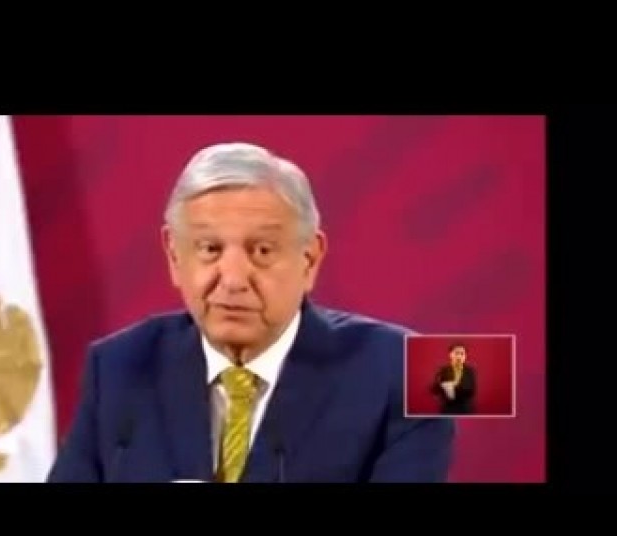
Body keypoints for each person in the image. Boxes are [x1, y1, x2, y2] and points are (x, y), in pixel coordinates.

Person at [47, 142, 455, 483]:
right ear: (174, 255)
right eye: (210, 249)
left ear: (310, 258)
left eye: (261, 251)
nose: (233, 279)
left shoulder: (417, 369)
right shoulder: (116, 366)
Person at [430, 343, 477, 415]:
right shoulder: (443, 370)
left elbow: (471, 390)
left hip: (465, 409)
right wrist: (441, 385)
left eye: (462, 354)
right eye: (456, 353)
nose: (459, 356)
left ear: (465, 356)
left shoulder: (470, 371)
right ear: (450, 355)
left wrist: (452, 386)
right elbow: (434, 390)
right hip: (447, 409)